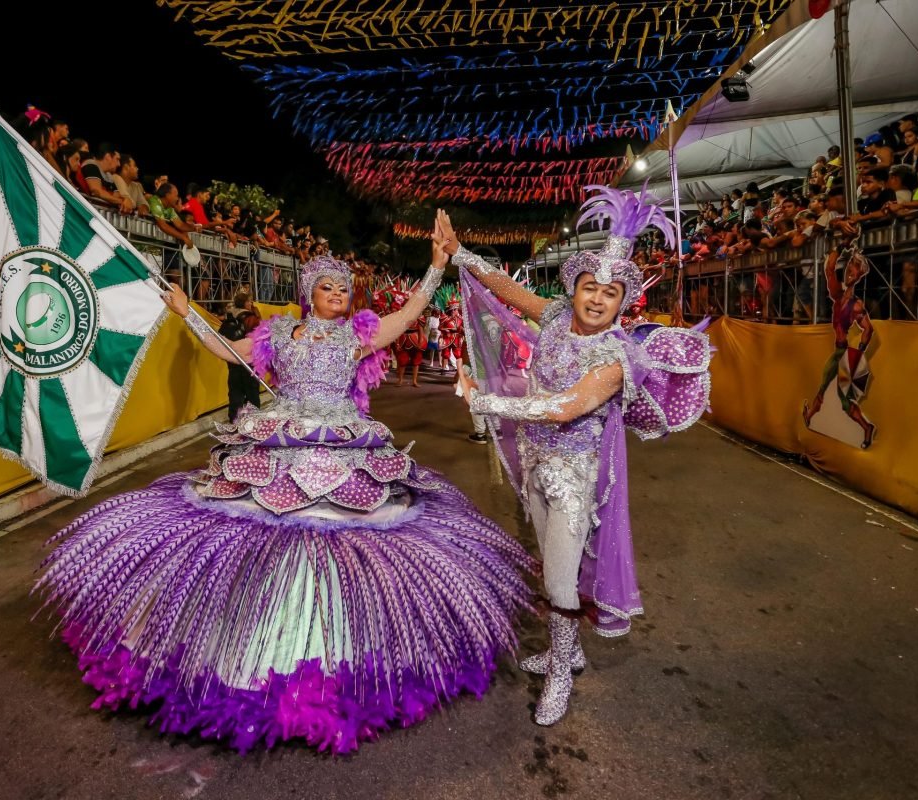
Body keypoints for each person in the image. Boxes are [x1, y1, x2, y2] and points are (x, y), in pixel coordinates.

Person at [36, 237, 532, 754]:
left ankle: (329, 654)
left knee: (344, 534)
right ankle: (241, 650)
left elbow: (408, 315)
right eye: (327, 286)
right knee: (250, 530)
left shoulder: (358, 334)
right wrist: (187, 314)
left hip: (344, 445)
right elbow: (229, 351)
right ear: (308, 294)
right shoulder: (276, 332)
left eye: (343, 288)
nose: (338, 293)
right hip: (276, 441)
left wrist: (434, 269)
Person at [443, 187, 711, 727]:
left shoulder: (617, 355)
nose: (596, 300)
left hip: (574, 477)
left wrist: (481, 400)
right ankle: (567, 651)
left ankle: (561, 672)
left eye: (610, 294)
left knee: (561, 582)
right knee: (551, 568)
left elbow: (565, 407)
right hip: (536, 463)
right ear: (575, 287)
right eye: (590, 287)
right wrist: (459, 253)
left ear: (622, 302)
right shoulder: (555, 316)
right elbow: (507, 290)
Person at [802, 246, 876, 448]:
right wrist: (839, 247)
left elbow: (868, 329)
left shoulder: (855, 304)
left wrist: (858, 354)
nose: (851, 270)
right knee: (824, 383)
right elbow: (829, 270)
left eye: (856, 268)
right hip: (838, 351)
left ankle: (866, 428)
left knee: (843, 398)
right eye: (851, 265)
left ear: (860, 274)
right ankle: (809, 415)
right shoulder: (838, 295)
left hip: (843, 353)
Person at [217, 290, 262, 421]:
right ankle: (253, 421)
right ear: (244, 303)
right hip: (248, 360)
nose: (251, 303)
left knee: (235, 392)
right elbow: (259, 336)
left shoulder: (228, 318)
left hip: (233, 362)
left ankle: (234, 420)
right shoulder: (250, 318)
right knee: (252, 393)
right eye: (249, 301)